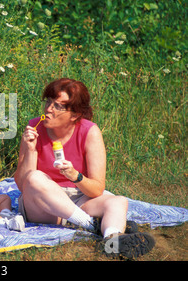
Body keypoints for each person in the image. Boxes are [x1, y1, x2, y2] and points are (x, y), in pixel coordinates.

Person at [14, 78, 155, 259]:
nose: (48, 109)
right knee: (34, 177)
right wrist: (30, 150)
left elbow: (96, 189)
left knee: (118, 201)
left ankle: (112, 242)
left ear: (75, 114)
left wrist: (75, 176)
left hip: (78, 198)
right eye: (48, 101)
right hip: (43, 205)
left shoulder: (89, 131)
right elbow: (22, 185)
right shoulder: (34, 127)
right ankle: (90, 225)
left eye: (57, 106)